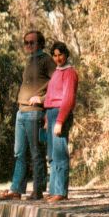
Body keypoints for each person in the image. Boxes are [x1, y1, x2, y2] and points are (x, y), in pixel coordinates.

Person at [0, 31, 55, 201]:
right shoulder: (30, 61)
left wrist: (42, 99)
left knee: (36, 153)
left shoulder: (47, 60)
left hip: (34, 113)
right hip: (21, 112)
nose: (28, 46)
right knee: (19, 153)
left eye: (32, 43)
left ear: (40, 43)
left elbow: (57, 82)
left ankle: (37, 191)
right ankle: (16, 190)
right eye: (26, 43)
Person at [44, 41, 78, 202]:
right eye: (55, 55)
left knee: (60, 153)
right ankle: (53, 190)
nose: (58, 58)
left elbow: (68, 98)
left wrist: (60, 121)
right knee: (51, 155)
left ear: (66, 55)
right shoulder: (57, 72)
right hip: (51, 114)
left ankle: (61, 192)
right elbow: (50, 97)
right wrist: (46, 119)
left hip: (60, 114)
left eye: (61, 55)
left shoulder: (70, 72)